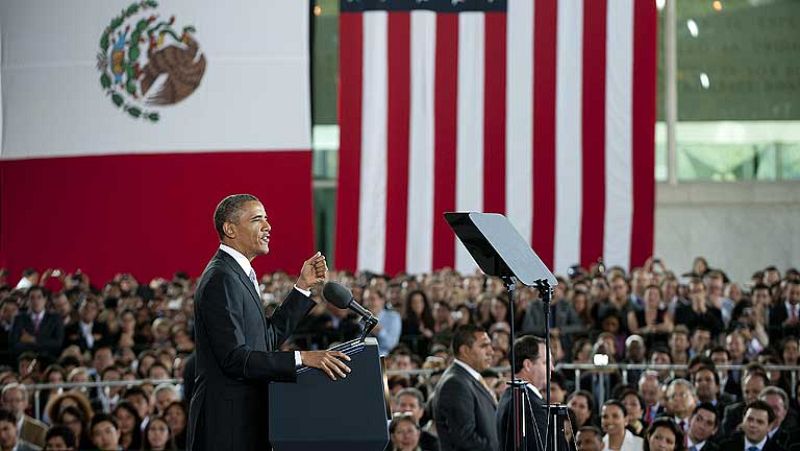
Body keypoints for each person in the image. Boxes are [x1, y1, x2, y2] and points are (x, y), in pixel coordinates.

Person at [187, 194, 351, 451]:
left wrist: (302, 288)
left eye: (266, 219)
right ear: (230, 229)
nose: (268, 226)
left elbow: (265, 340)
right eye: (257, 219)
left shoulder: (237, 273)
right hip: (225, 428)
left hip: (245, 422)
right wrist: (302, 358)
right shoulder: (221, 278)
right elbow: (234, 358)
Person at [433, 324, 498, 451]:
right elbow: (465, 439)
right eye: (484, 346)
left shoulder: (467, 378)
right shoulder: (455, 384)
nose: (491, 352)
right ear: (465, 351)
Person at [496, 335, 553, 451]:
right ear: (527, 365)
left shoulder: (509, 395)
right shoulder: (529, 404)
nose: (552, 368)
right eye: (546, 362)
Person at [9, 286, 64, 360]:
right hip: (24, 359)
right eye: (32, 298)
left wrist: (34, 340)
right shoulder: (19, 318)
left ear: (45, 299)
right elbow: (14, 343)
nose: (35, 301)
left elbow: (57, 343)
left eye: (39, 297)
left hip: (48, 359)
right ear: (27, 300)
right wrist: (44, 343)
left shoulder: (55, 318)